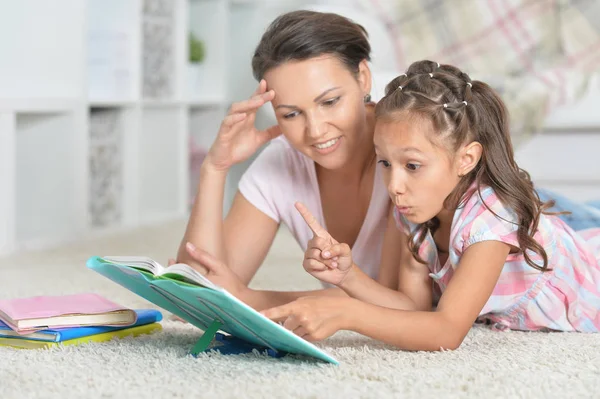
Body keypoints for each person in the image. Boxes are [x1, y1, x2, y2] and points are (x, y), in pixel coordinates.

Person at [177, 10, 599, 313]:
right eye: (290, 114)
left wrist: (253, 300)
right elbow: (201, 289)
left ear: (363, 78)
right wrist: (215, 169)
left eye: (330, 101)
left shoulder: (405, 150)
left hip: (545, 232)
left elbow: (398, 303)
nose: (316, 130)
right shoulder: (281, 164)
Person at [240, 60, 600, 351]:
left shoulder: (489, 220)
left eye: (412, 166)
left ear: (466, 159)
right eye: (384, 163)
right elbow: (411, 305)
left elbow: (446, 330)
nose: (394, 187)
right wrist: (348, 278)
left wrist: (347, 312)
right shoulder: (412, 212)